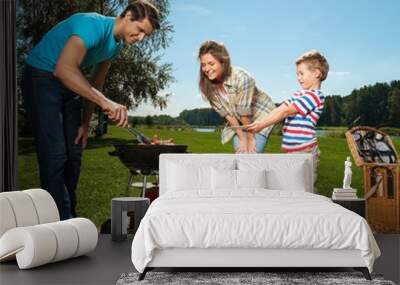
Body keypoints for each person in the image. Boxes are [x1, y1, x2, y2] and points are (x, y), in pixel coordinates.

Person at [21, 0, 160, 220]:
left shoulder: (116, 46)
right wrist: (107, 103)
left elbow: (96, 84)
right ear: (128, 16)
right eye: (141, 30)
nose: (141, 38)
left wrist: (86, 123)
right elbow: (64, 68)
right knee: (55, 156)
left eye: (146, 35)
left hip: (69, 83)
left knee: (74, 155)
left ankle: (70, 219)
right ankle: (60, 224)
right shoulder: (92, 25)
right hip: (42, 76)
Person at [246, 50, 329, 185]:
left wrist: (261, 125)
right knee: (291, 185)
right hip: (292, 151)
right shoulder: (298, 94)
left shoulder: (315, 96)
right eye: (297, 74)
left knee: (303, 188)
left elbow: (285, 112)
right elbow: (279, 109)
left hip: (305, 151)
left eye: (301, 73)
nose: (298, 77)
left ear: (316, 73)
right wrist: (259, 122)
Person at [198, 40, 276, 153]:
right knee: (240, 154)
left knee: (252, 153)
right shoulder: (207, 87)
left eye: (211, 64)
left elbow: (244, 112)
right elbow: (228, 115)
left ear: (223, 62)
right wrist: (242, 137)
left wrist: (250, 138)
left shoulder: (243, 78)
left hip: (261, 115)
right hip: (240, 120)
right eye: (203, 65)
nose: (206, 69)